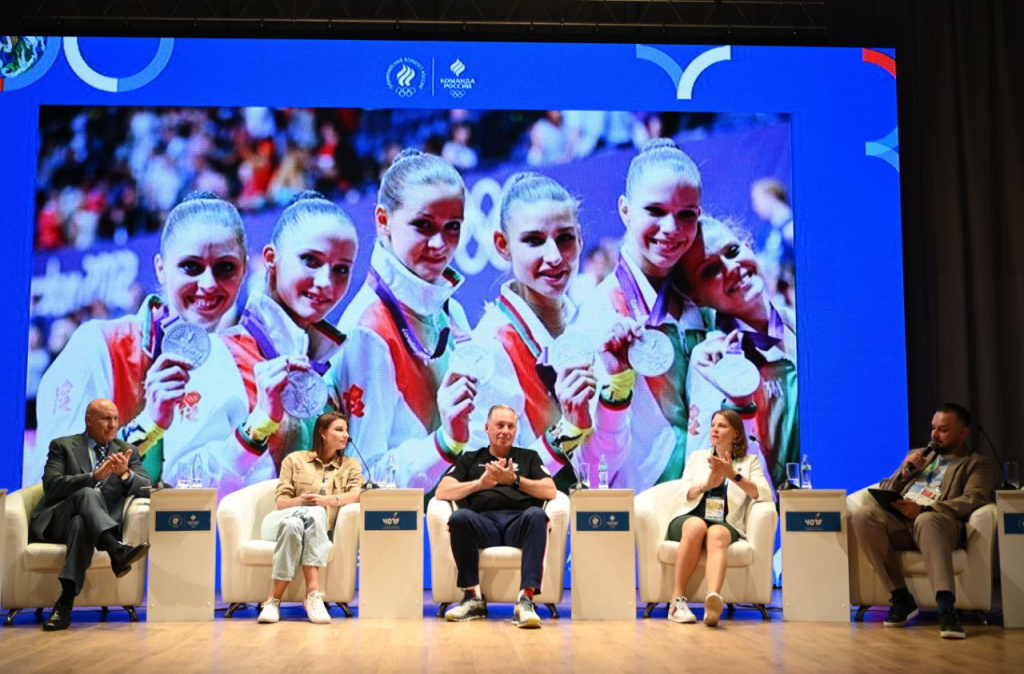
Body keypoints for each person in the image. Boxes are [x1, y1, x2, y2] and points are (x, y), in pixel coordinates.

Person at [33, 191, 249, 485]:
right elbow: (61, 484)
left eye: (225, 267)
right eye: (191, 266)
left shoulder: (231, 358)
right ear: (160, 268)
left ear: (244, 270)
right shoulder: (99, 347)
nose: (209, 284)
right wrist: (150, 424)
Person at [456, 172, 632, 489]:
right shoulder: (491, 347)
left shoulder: (590, 324)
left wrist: (616, 391)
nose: (554, 257)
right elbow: (487, 484)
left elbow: (601, 470)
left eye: (564, 238)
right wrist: (565, 429)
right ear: (502, 245)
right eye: (534, 241)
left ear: (579, 238)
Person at [185, 190, 358, 492]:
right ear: (271, 259)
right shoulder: (217, 355)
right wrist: (258, 427)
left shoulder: (331, 371)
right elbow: (182, 485)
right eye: (310, 260)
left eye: (341, 269)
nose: (326, 282)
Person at [329, 149, 472, 493]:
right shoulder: (368, 330)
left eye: (452, 227)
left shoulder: (451, 311)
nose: (440, 243)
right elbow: (363, 478)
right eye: (423, 225)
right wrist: (444, 445)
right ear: (383, 221)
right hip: (395, 532)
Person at [577, 138, 713, 492]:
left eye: (687, 215)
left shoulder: (703, 307)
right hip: (639, 514)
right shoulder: (600, 312)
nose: (671, 228)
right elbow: (589, 468)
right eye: (655, 211)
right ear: (625, 209)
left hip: (709, 503)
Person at [851, 403, 995, 639]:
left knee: (927, 520)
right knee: (863, 516)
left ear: (963, 432)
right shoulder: (920, 455)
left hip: (940, 524)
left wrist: (924, 509)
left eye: (943, 430)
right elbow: (886, 486)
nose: (934, 435)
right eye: (933, 428)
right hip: (902, 523)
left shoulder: (976, 463)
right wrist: (905, 473)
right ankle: (900, 598)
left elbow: (973, 498)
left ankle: (946, 609)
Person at [679, 215, 798, 485]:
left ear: (749, 247)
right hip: (767, 511)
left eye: (733, 251)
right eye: (710, 270)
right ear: (695, 296)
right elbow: (703, 468)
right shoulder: (713, 359)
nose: (732, 267)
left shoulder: (803, 325)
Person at [29, 398, 153, 631]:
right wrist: (93, 477)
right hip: (57, 520)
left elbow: (147, 487)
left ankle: (64, 604)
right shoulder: (62, 446)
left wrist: (126, 474)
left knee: (81, 524)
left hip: (89, 528)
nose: (113, 424)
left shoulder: (127, 451)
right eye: (106, 418)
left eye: (116, 419)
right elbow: (52, 486)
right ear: (88, 420)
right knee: (86, 493)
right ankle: (116, 549)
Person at [436, 405, 558, 628]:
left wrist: (515, 481)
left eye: (510, 426)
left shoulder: (529, 457)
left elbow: (550, 490)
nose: (505, 431)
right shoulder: (470, 459)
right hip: (483, 524)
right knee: (459, 518)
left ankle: (526, 601)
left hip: (519, 523)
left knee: (537, 515)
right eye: (499, 425)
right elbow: (442, 491)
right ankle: (472, 598)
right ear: (487, 429)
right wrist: (479, 484)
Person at [664, 409, 772, 626]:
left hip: (724, 521)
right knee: (696, 527)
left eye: (722, 426)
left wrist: (733, 474)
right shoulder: (697, 457)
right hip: (690, 516)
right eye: (713, 424)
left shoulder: (749, 462)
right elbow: (682, 491)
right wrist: (707, 485)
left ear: (736, 434)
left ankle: (713, 600)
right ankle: (677, 602)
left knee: (717, 534)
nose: (714, 429)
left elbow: (764, 494)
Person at [257, 411, 363, 624]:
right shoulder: (294, 460)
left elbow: (356, 494)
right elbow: (281, 503)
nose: (346, 435)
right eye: (339, 430)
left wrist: (326, 501)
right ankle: (313, 593)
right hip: (275, 524)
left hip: (302, 527)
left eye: (347, 431)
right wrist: (303, 502)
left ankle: (272, 601)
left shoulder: (350, 465)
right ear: (323, 433)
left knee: (293, 525)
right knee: (303, 515)